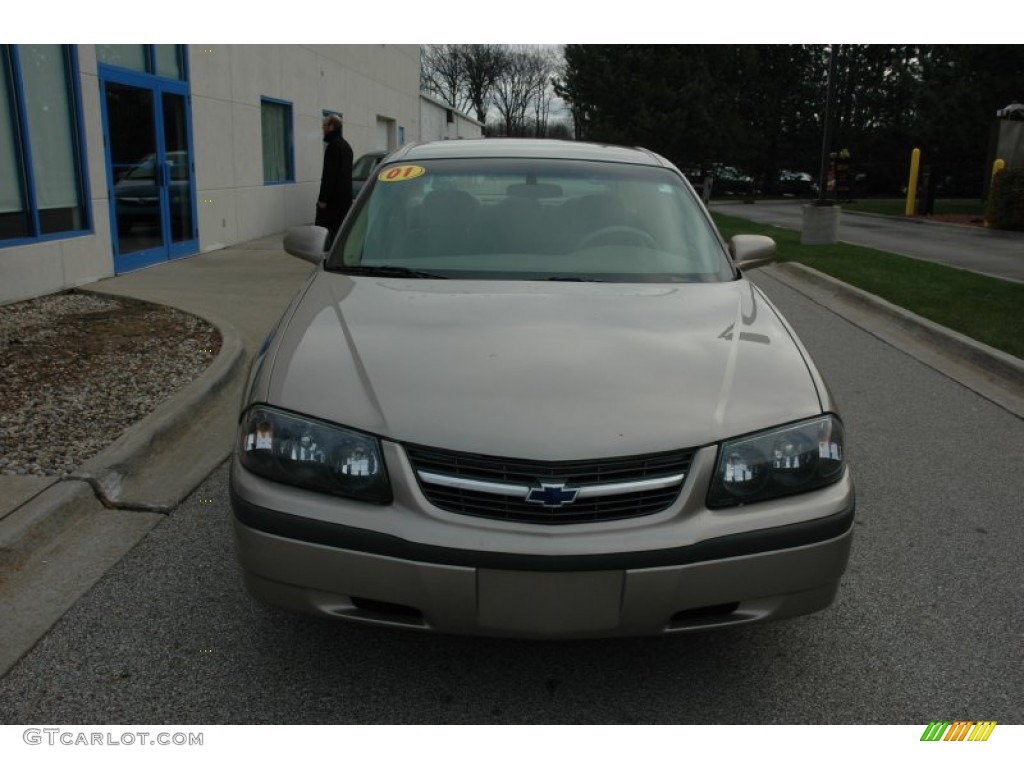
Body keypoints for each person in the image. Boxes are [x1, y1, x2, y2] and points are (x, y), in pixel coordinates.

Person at [316, 114, 354, 245]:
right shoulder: (347, 147)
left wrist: (323, 199)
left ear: (331, 127)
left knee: (327, 236)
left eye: (325, 125)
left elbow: (329, 176)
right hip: (344, 202)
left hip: (332, 204)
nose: (323, 128)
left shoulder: (333, 147)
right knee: (341, 234)